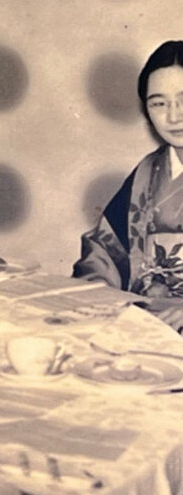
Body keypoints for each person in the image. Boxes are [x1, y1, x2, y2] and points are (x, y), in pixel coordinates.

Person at [74, 40, 183, 332]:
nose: (174, 116)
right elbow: (107, 249)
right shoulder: (149, 171)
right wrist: (97, 291)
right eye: (158, 103)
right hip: (146, 321)